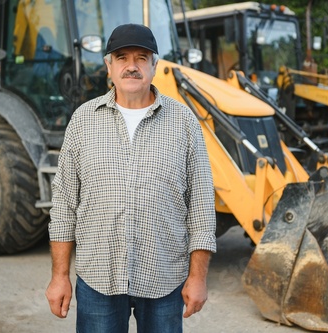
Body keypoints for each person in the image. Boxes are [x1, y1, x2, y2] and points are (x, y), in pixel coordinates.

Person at [45, 23, 217, 333]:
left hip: (164, 279)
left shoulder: (184, 123)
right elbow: (64, 204)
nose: (132, 66)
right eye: (122, 57)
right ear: (108, 66)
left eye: (141, 57)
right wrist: (60, 276)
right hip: (98, 279)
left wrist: (198, 277)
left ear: (155, 65)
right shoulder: (83, 120)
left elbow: (202, 206)